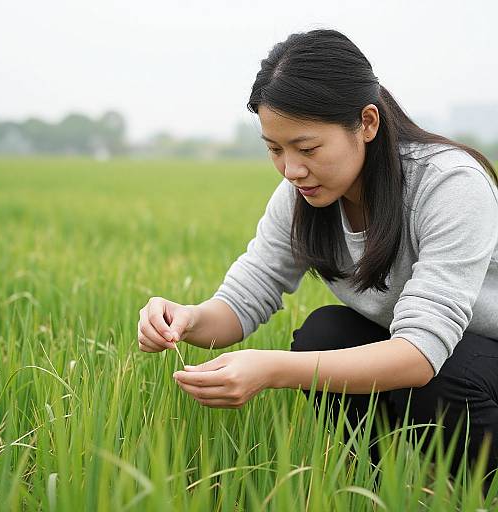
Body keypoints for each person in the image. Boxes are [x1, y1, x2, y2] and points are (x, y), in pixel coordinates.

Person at [137, 29, 498, 491]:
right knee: (325, 334)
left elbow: (421, 354)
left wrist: (271, 370)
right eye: (275, 149)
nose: (291, 169)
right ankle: (377, 489)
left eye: (307, 149)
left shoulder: (450, 185)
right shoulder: (301, 197)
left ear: (367, 123)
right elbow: (244, 299)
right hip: (427, 358)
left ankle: (475, 491)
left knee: (447, 375)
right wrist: (184, 318)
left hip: (473, 359)